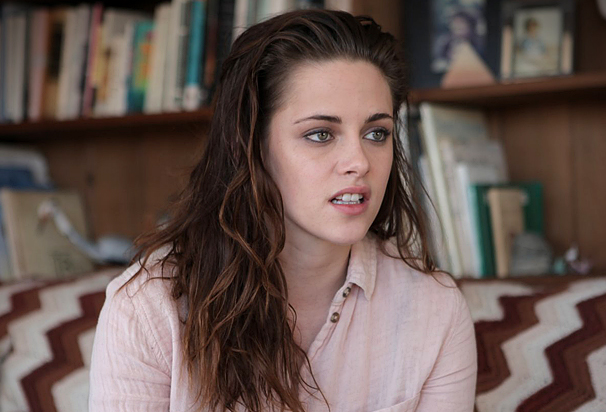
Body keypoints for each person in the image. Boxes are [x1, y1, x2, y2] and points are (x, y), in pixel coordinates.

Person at [88, 9, 477, 412]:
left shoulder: (434, 309)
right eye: (320, 134)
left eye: (376, 133)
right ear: (252, 145)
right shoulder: (149, 311)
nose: (359, 162)